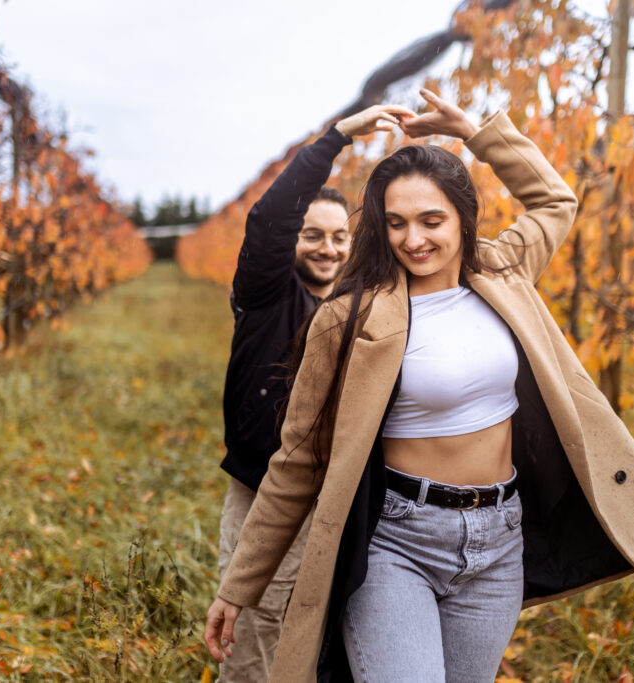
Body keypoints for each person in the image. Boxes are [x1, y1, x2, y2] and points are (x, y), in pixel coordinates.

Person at [206, 90, 634, 682]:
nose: (413, 239)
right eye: (395, 223)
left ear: (463, 217)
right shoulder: (348, 318)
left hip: (498, 541)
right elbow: (296, 462)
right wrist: (239, 587)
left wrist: (475, 132)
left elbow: (554, 199)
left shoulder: (502, 271)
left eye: (432, 220)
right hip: (397, 542)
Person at [216, 102, 415, 683]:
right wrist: (333, 140)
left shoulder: (360, 308)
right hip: (263, 490)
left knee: (312, 627)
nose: (328, 248)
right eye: (312, 236)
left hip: (335, 495)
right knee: (255, 627)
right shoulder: (267, 295)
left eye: (338, 237)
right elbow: (267, 219)